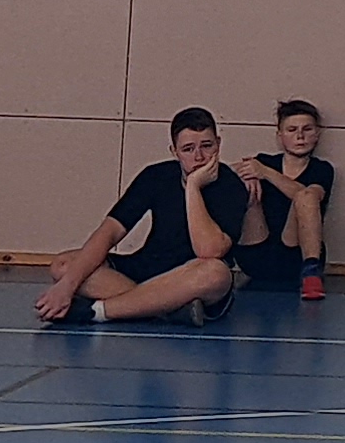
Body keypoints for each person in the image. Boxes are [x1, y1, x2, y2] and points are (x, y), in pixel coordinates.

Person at [34, 109, 253, 326]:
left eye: (207, 146)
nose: (199, 157)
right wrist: (67, 287)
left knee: (216, 273)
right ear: (174, 151)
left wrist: (193, 188)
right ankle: (168, 309)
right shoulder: (155, 176)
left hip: (191, 276)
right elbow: (110, 231)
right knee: (63, 265)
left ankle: (98, 311)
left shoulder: (231, 186)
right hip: (147, 269)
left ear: (218, 144)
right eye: (188, 149)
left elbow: (209, 251)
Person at [230, 99, 333, 298]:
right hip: (255, 252)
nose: (300, 136)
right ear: (280, 136)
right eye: (292, 130)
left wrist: (266, 173)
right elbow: (223, 175)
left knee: (306, 195)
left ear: (317, 133)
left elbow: (306, 195)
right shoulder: (263, 161)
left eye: (307, 129)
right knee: (246, 182)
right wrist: (245, 174)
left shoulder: (322, 169)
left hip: (294, 256)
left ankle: (311, 273)